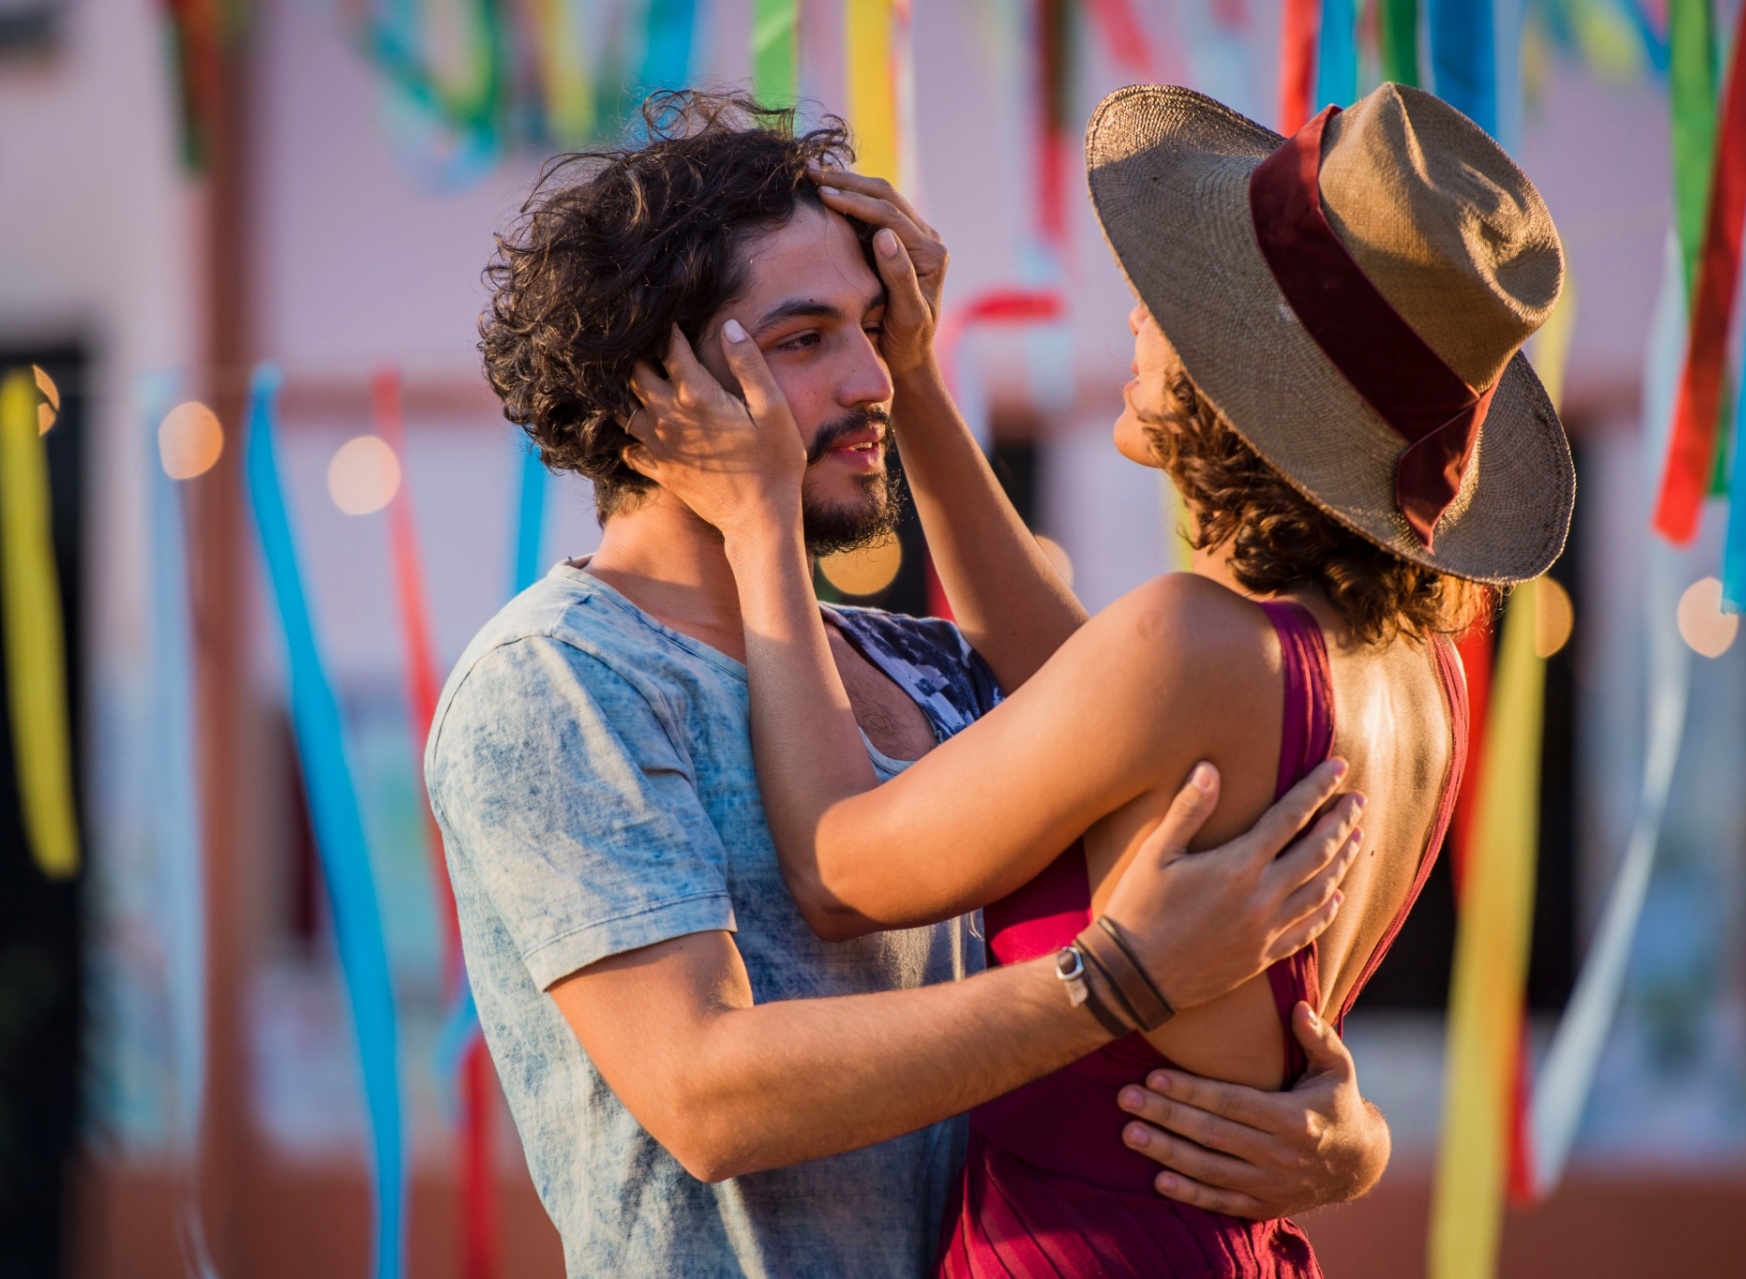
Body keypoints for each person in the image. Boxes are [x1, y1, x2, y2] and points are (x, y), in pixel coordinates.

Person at [431, 91, 1394, 1279]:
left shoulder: (921, 659)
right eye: (803, 341)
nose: (871, 379)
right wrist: (1109, 985)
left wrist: (1347, 1139)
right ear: (654, 390)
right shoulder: (559, 681)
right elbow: (705, 1095)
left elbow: (1119, 698)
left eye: (875, 329)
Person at [626, 82, 1574, 1276]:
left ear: (1251, 384)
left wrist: (760, 518)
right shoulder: (1412, 668)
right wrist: (914, 379)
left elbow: (836, 870)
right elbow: (1069, 678)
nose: (1137, 310)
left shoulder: (1196, 642)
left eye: (1186, 300)